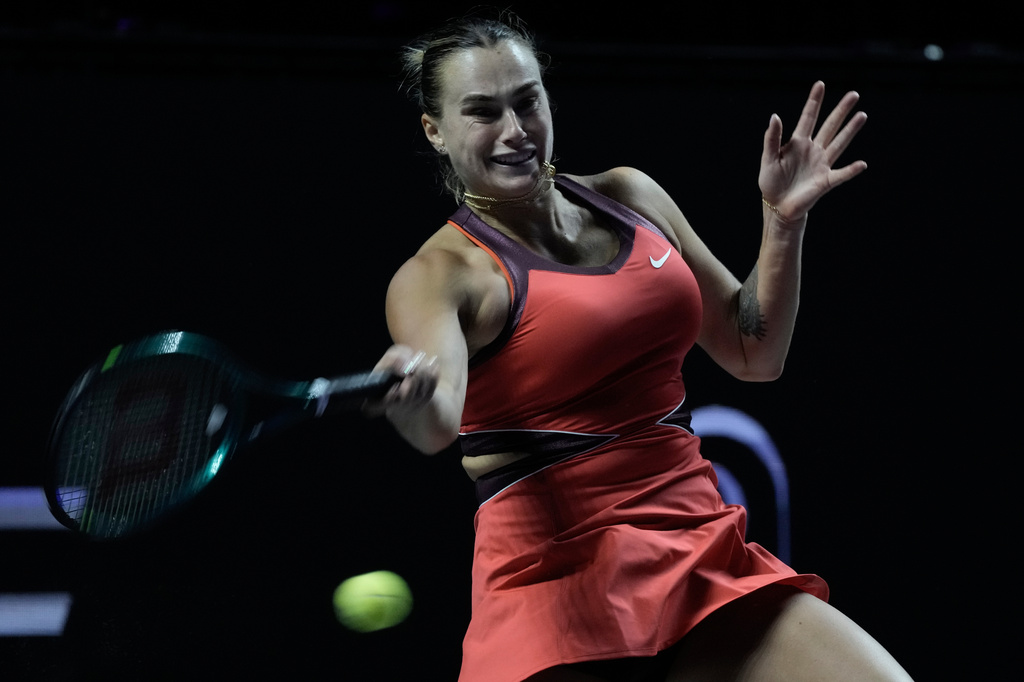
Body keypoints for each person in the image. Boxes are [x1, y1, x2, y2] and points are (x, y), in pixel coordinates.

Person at [367, 10, 913, 682]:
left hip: (699, 553)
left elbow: (752, 351)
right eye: (482, 111)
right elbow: (435, 424)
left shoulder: (629, 195)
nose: (514, 131)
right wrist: (411, 392)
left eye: (527, 101)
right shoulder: (438, 277)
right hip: (557, 596)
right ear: (436, 131)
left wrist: (782, 223)